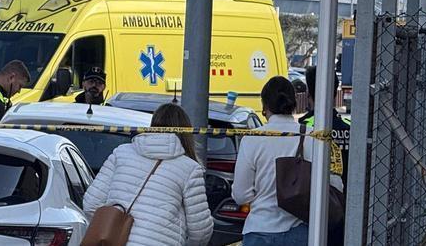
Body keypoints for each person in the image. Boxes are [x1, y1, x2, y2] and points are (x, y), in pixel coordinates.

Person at [233, 76, 344, 246]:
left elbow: (241, 195)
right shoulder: (312, 135)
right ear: (293, 103)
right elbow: (333, 183)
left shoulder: (252, 138)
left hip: (259, 230)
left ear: (265, 105)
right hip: (300, 231)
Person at [83, 103, 213, 246]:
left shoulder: (121, 153)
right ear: (186, 132)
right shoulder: (190, 168)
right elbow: (200, 231)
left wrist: (113, 227)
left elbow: (91, 204)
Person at [302, 65, 350, 246]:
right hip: (343, 206)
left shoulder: (304, 128)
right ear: (335, 91)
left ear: (309, 92)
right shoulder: (347, 127)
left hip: (310, 208)